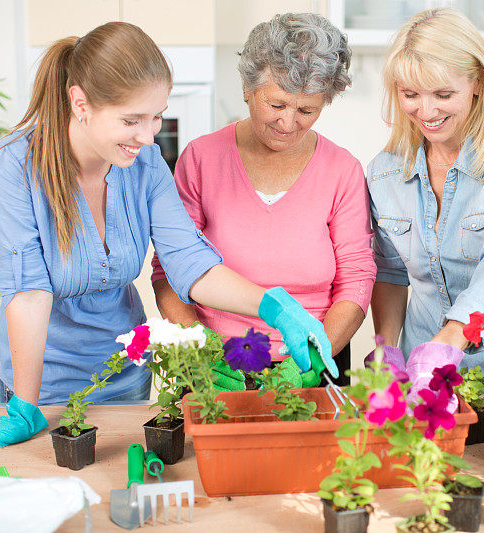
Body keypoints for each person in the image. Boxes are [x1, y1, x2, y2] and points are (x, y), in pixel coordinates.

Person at [0, 22, 334, 452]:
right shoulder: (16, 170)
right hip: (42, 388)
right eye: (131, 119)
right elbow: (28, 294)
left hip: (124, 377)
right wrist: (26, 404)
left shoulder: (144, 162)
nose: (148, 135)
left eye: (157, 116)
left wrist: (274, 305)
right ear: (80, 103)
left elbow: (189, 262)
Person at [151, 13, 376, 387]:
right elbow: (168, 270)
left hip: (310, 357)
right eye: (276, 105)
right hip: (216, 360)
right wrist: (200, 348)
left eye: (307, 110)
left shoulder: (342, 170)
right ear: (247, 88)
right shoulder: (202, 158)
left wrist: (316, 355)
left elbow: (357, 278)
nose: (288, 123)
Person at [367, 9, 484, 396]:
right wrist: (386, 347)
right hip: (424, 373)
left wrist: (452, 338)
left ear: (477, 83)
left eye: (443, 94)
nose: (426, 111)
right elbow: (390, 272)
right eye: (410, 95)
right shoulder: (384, 174)